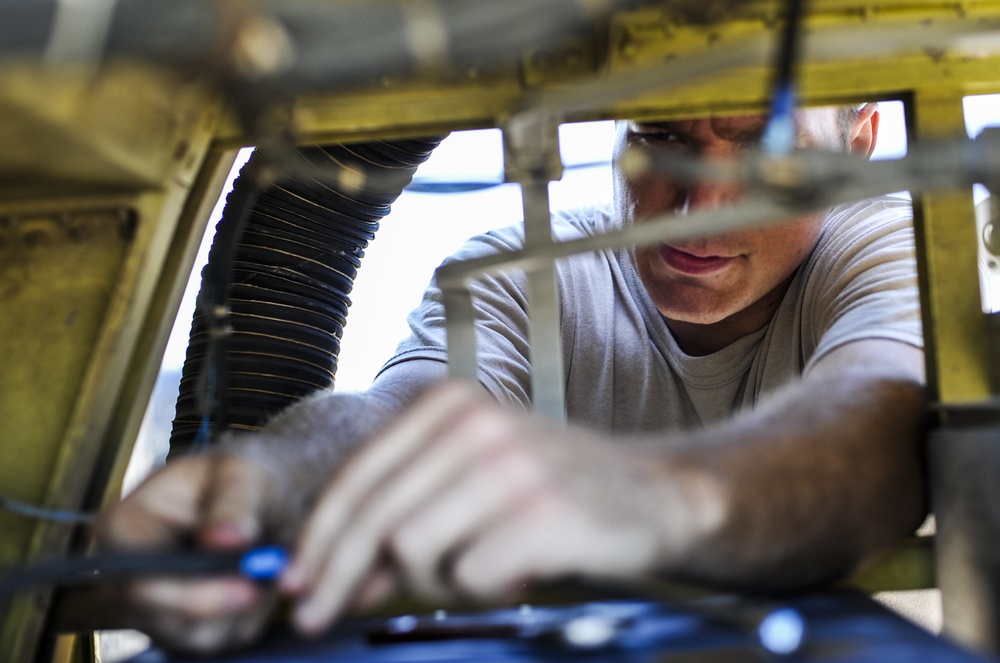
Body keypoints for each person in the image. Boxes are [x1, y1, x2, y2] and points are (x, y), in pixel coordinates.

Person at [95, 102, 928, 654]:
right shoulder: (522, 268)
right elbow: (401, 411)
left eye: (765, 144)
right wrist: (269, 473)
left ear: (857, 143)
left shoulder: (889, 246)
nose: (698, 203)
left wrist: (638, 495)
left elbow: (876, 425)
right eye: (661, 135)